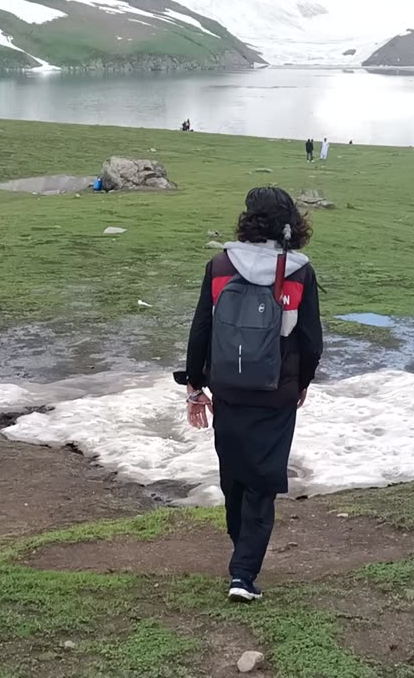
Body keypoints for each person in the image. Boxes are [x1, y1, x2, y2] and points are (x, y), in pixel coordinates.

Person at [179, 186, 323, 603]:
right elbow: (311, 339)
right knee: (261, 483)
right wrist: (303, 382)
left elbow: (201, 329)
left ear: (247, 220)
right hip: (276, 394)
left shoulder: (221, 265)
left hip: (228, 390)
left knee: (234, 477)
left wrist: (194, 385)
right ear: (291, 224)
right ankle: (242, 573)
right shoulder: (300, 271)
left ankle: (240, 554)